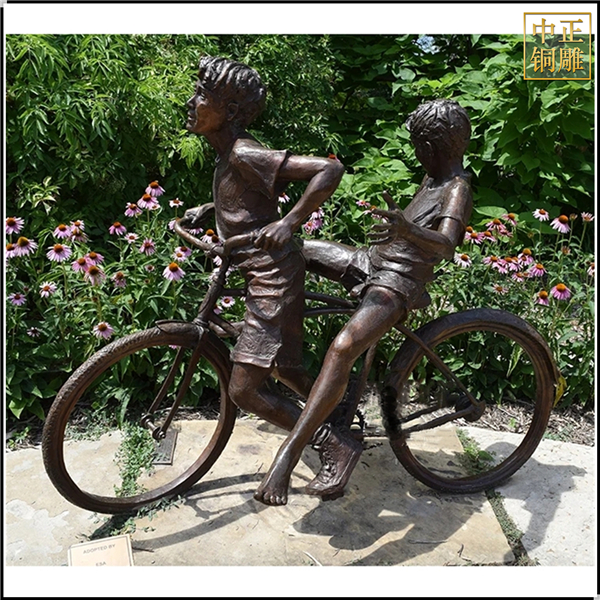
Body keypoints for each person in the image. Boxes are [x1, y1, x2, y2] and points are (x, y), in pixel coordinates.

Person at [253, 98, 474, 505]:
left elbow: (446, 245)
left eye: (419, 147)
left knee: (343, 347)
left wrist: (406, 230)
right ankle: (285, 353)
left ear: (433, 147)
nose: (416, 154)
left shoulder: (456, 187)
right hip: (371, 261)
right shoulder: (434, 177)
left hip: (399, 282)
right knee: (293, 249)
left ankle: (290, 455)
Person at [179, 56, 347, 492]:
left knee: (244, 390)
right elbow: (250, 202)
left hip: (272, 278)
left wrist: (290, 222)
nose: (191, 102)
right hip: (264, 271)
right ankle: (341, 413)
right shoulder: (229, 155)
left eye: (202, 96)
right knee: (286, 368)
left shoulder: (243, 152)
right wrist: (211, 210)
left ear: (231, 111)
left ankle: (332, 443)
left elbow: (329, 169)